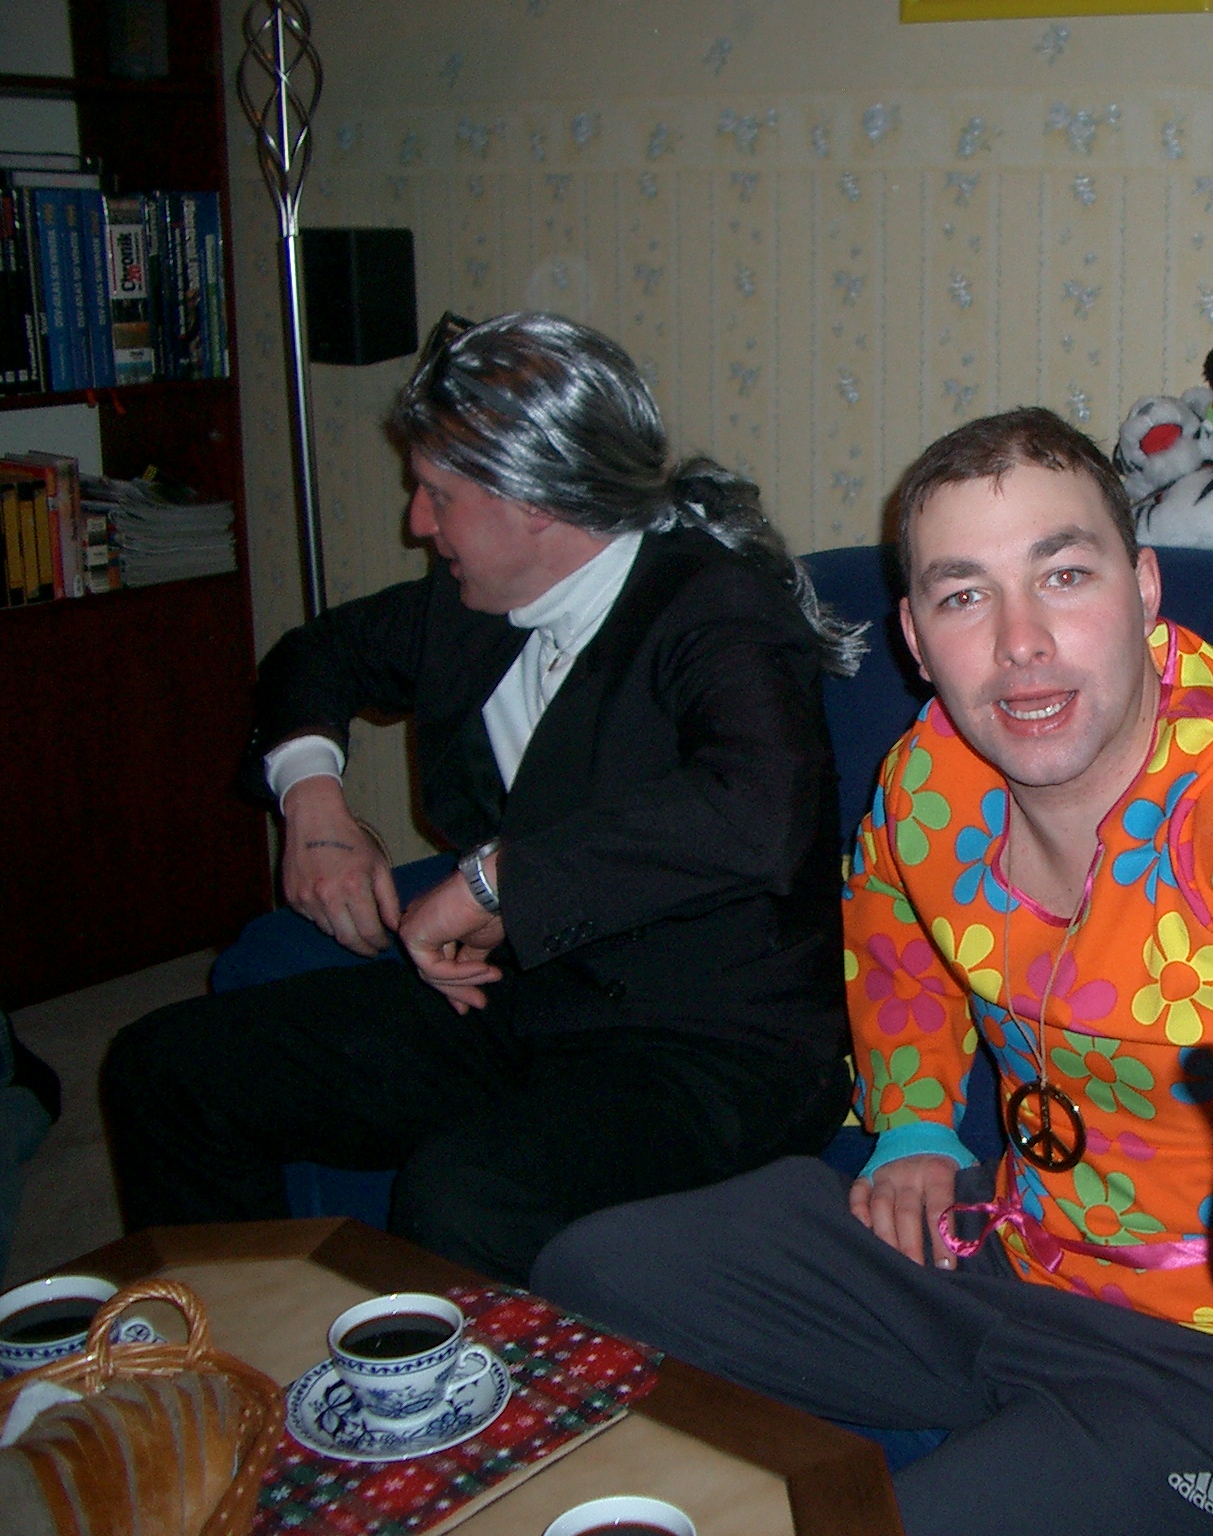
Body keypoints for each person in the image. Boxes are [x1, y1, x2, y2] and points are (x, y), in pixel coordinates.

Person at [532, 407, 1213, 1535]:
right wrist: (912, 1126)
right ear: (913, 634)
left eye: (1064, 575)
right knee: (590, 1270)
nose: (1020, 642)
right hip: (1003, 1256)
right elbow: (894, 934)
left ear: (1143, 589)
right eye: (963, 596)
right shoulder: (928, 776)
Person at [101, 312, 863, 1284]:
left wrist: (495, 885)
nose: (417, 523)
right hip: (520, 997)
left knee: (459, 1195)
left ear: (534, 501)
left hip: (712, 1046)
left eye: (437, 494)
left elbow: (758, 811)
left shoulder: (717, 606)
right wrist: (314, 803)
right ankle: (223, 1354)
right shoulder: (473, 604)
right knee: (167, 1069)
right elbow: (316, 656)